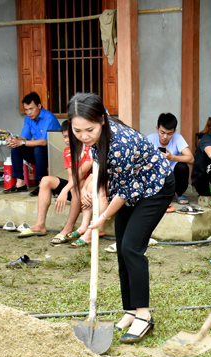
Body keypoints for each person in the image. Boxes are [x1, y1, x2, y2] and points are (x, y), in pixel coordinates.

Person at [68, 93, 174, 343]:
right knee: (122, 248)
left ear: (102, 120)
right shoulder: (94, 133)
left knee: (131, 248)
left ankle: (144, 316)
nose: (84, 136)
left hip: (155, 188)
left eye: (89, 130)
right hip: (130, 187)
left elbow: (125, 192)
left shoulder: (120, 145)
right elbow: (106, 174)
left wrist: (102, 217)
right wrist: (92, 187)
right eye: (77, 130)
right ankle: (130, 310)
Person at [12, 120, 93, 244]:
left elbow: (81, 174)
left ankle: (68, 227)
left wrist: (65, 190)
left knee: (77, 185)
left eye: (70, 136)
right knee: (45, 180)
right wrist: (67, 189)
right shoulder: (67, 152)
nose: (67, 139)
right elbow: (72, 177)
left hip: (89, 188)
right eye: (65, 136)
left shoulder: (89, 149)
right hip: (75, 186)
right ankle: (40, 225)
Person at [5, 92, 60, 195]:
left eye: (31, 108)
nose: (29, 112)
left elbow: (44, 142)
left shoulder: (49, 117)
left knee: (39, 148)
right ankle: (20, 183)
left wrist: (21, 142)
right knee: (16, 148)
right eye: (26, 109)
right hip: (39, 155)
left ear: (39, 106)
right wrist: (14, 141)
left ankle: (41, 185)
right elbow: (23, 138)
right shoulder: (28, 119)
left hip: (54, 156)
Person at [145, 113, 193, 205]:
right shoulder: (150, 138)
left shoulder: (178, 138)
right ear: (157, 128)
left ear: (174, 131)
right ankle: (155, 194)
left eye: (169, 133)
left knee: (182, 166)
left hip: (174, 176)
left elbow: (191, 159)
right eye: (162, 132)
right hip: (157, 175)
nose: (165, 137)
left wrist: (172, 157)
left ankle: (178, 194)